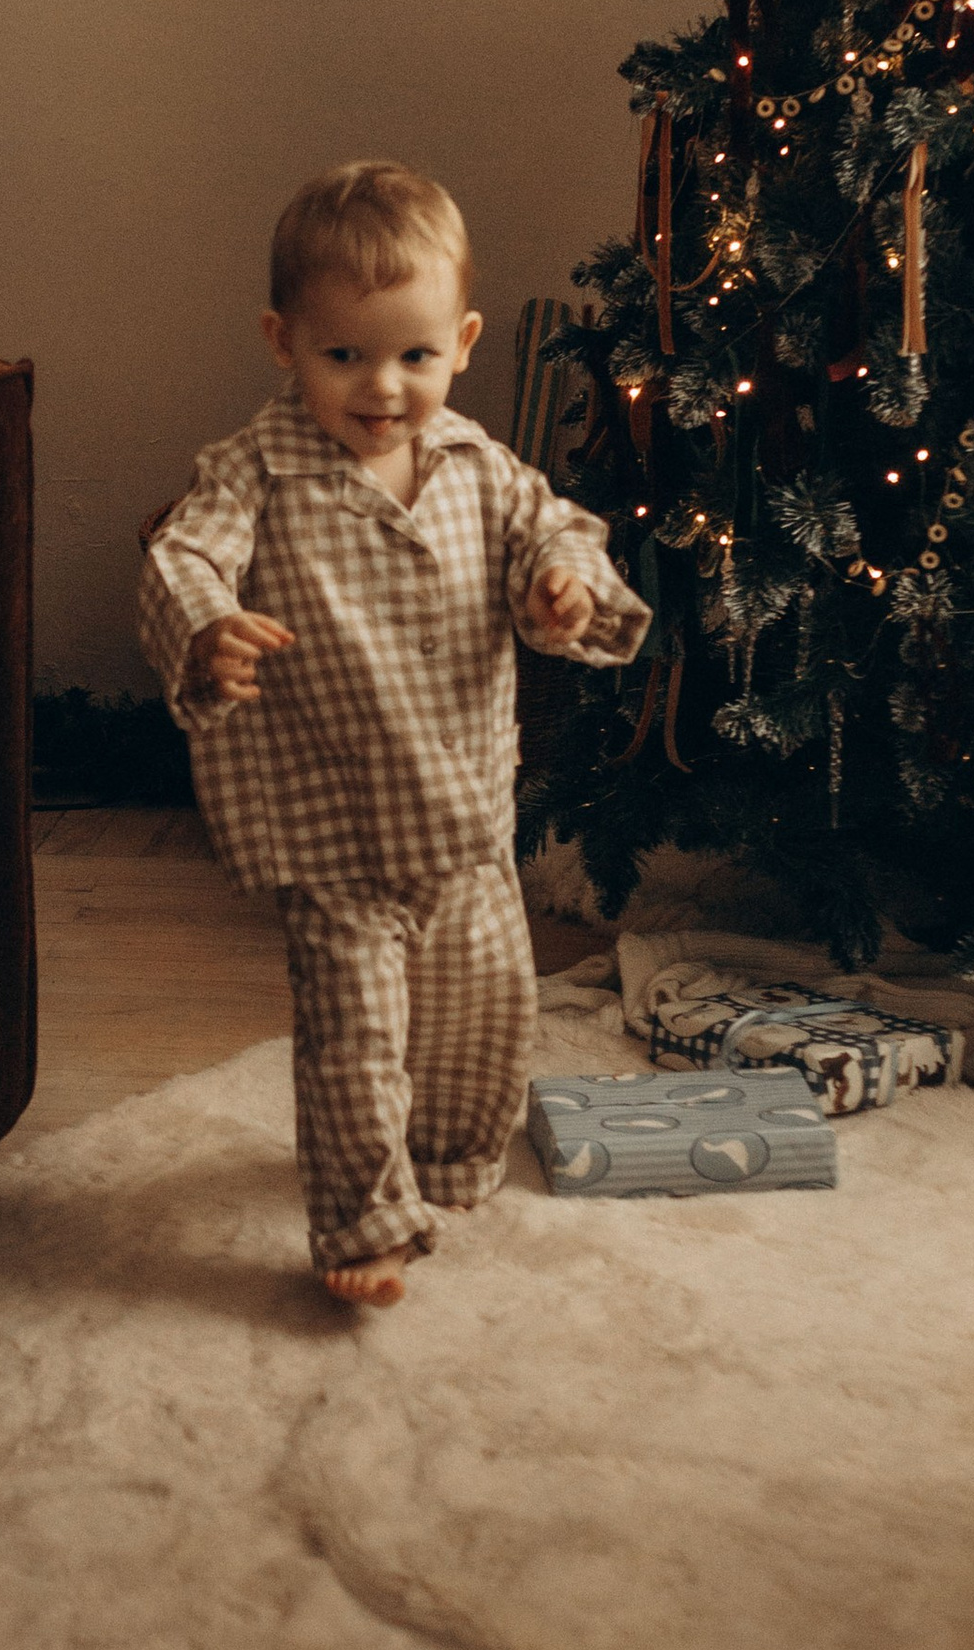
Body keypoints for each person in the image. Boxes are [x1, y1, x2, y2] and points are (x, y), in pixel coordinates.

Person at [138, 160, 649, 1304]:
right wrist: (207, 625)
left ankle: (452, 1159)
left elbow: (556, 532)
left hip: (463, 817)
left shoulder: (480, 468)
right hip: (334, 829)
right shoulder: (256, 470)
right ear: (284, 341)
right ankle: (362, 1223)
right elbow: (184, 553)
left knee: (485, 1011)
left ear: (461, 342)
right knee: (356, 1036)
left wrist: (563, 586)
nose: (383, 387)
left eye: (415, 356)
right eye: (345, 356)